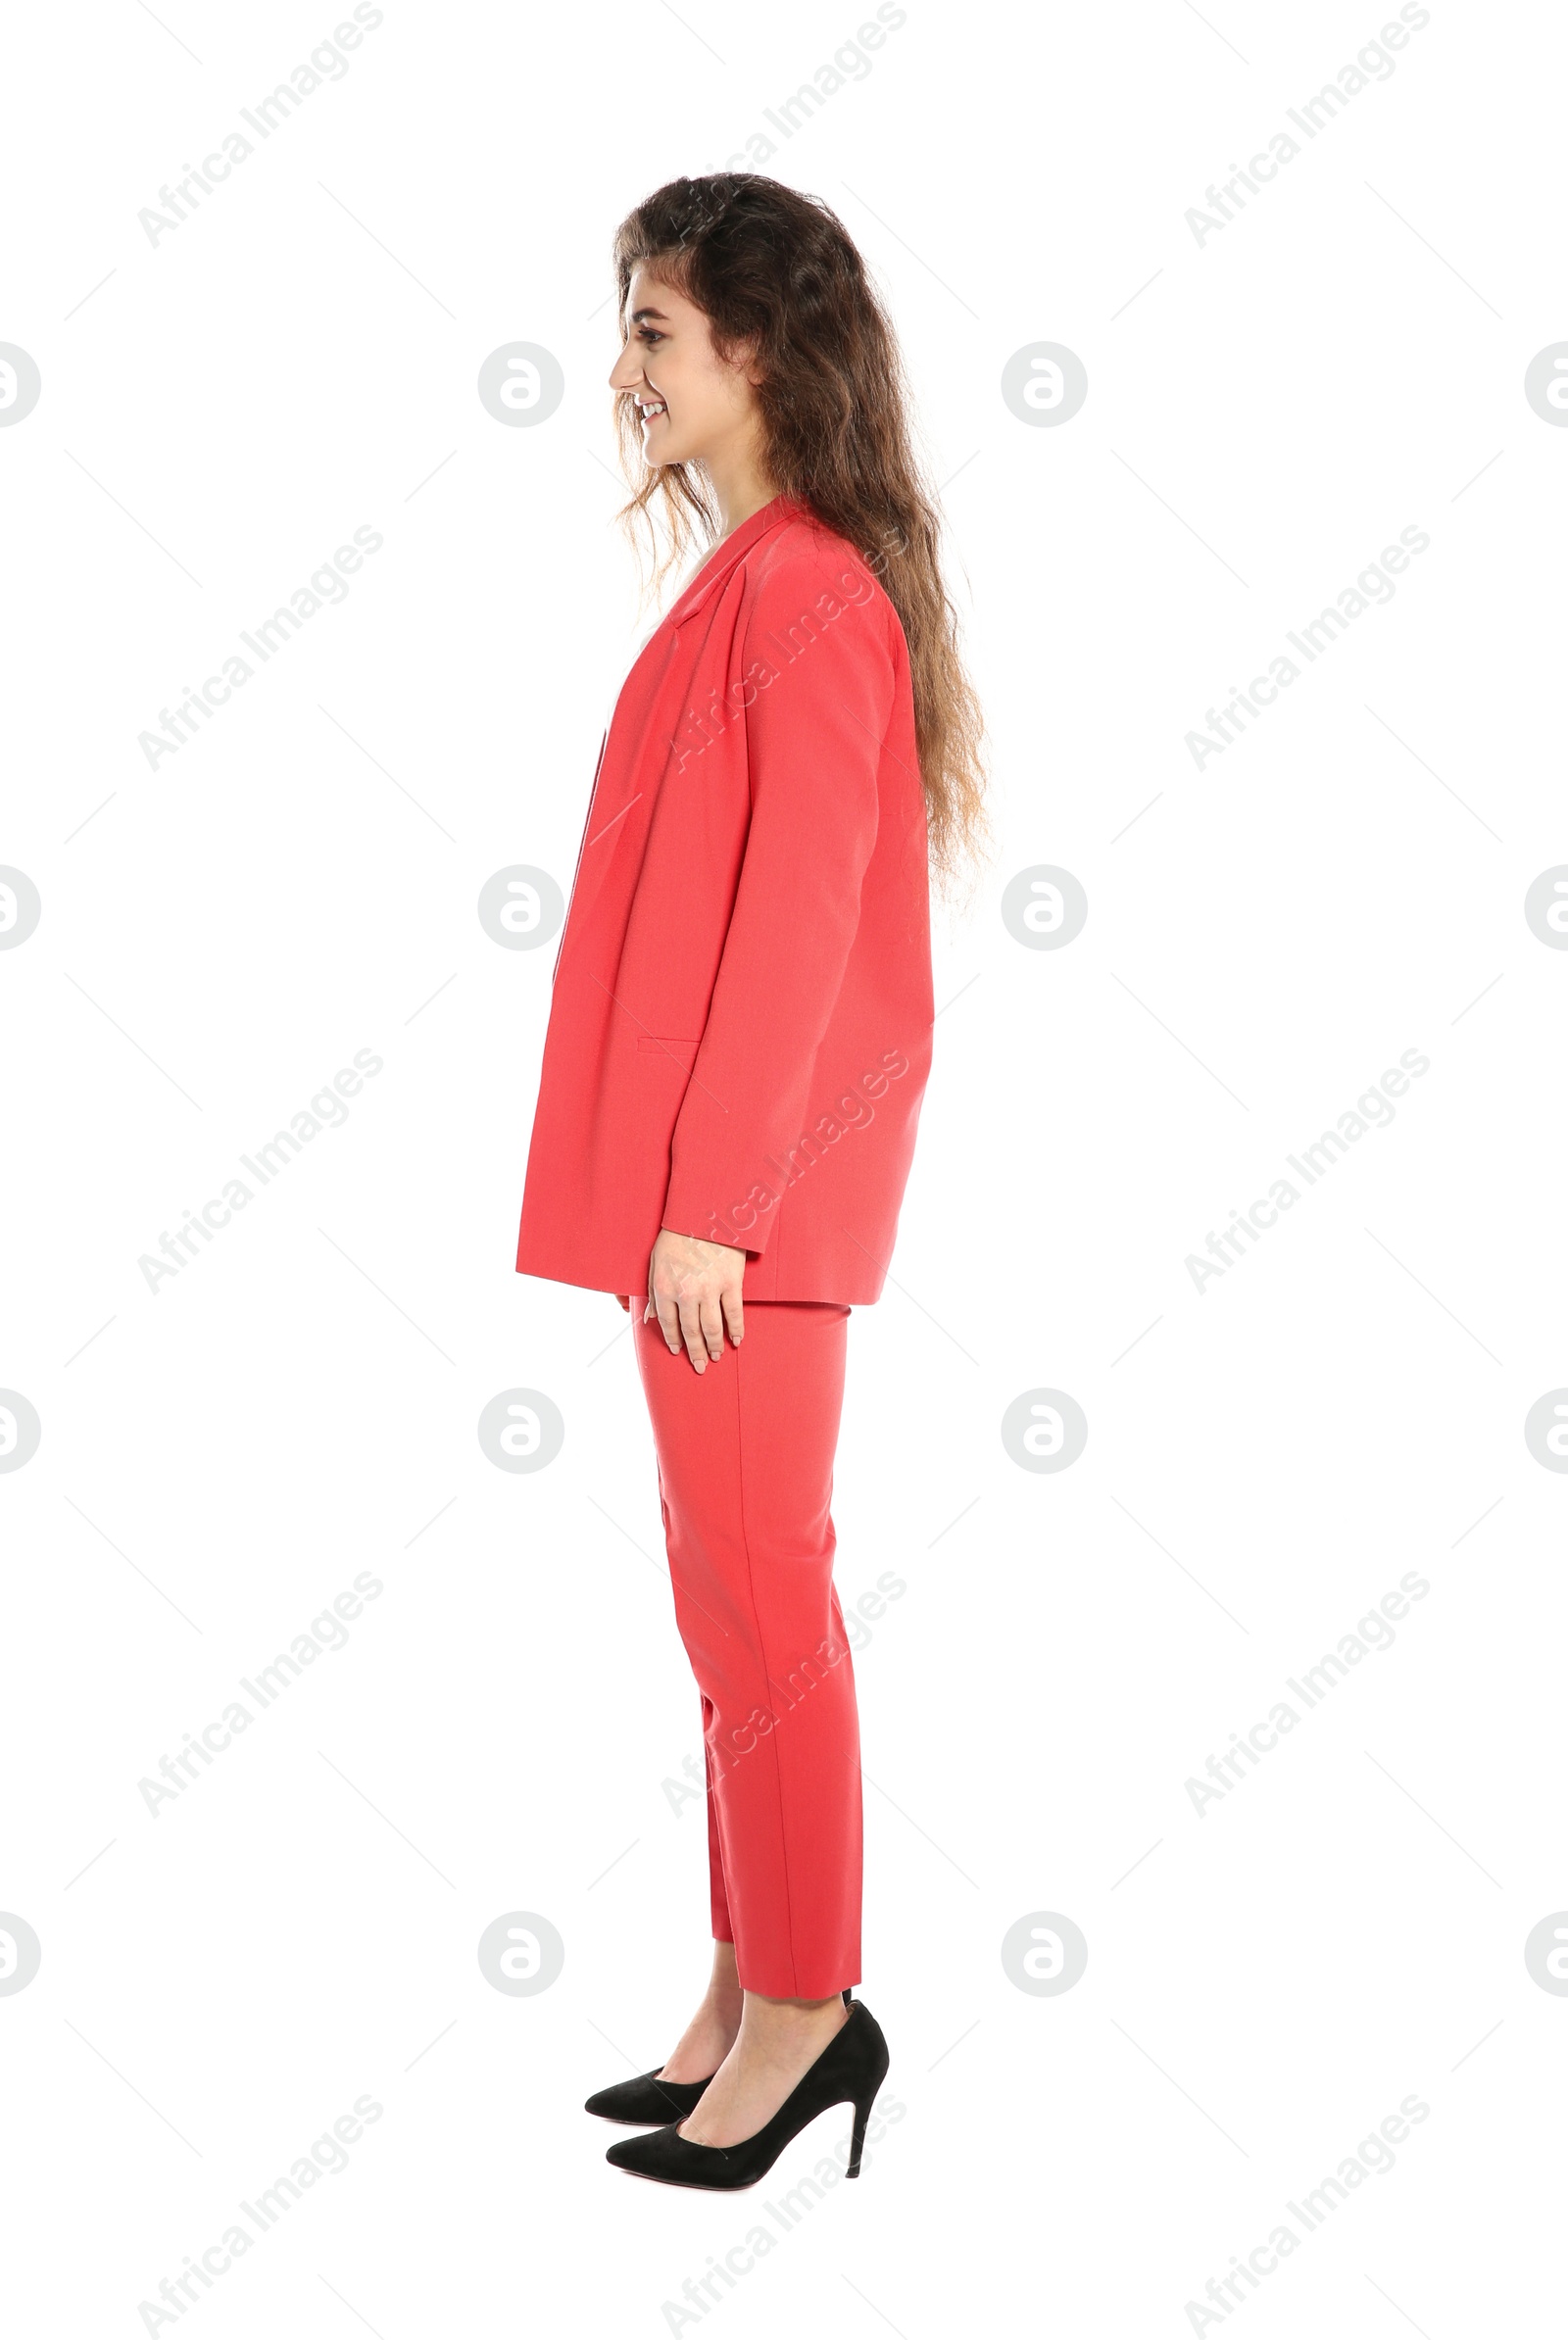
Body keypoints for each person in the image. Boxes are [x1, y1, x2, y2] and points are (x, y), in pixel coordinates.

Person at [514, 172, 987, 2190]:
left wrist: (713, 1199)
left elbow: (795, 934)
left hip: (745, 1220)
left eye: (651, 328)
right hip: (705, 1215)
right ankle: (742, 1977)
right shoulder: (761, 577)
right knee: (726, 1600)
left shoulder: (801, 597)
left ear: (756, 354)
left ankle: (809, 2007)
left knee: (760, 1601)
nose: (621, 363)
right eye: (625, 323)